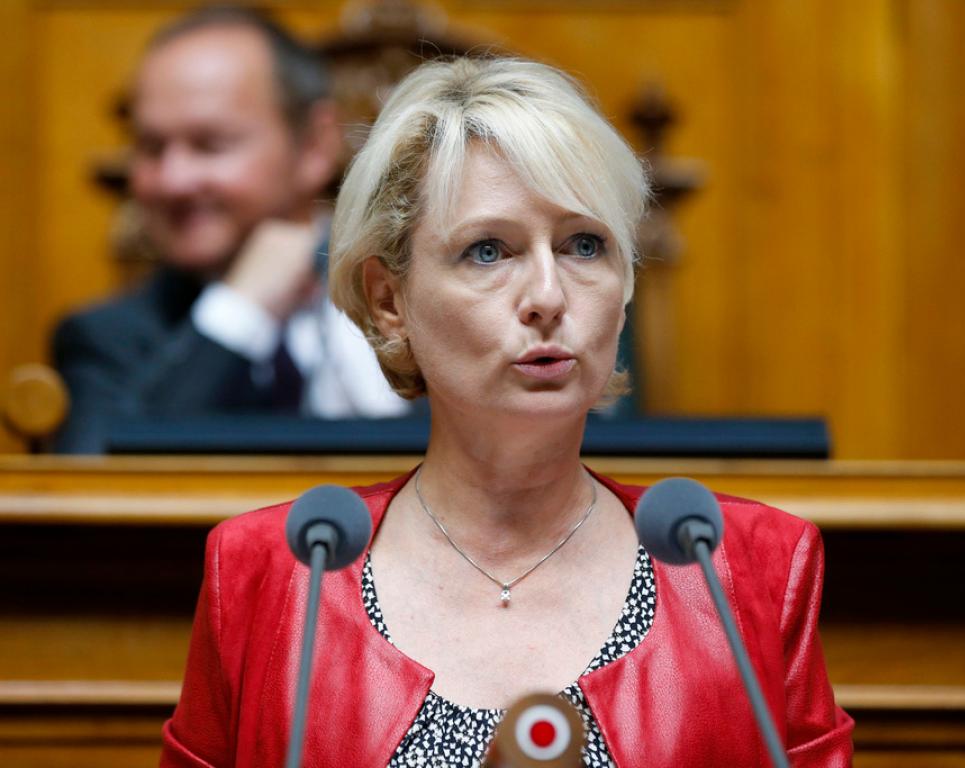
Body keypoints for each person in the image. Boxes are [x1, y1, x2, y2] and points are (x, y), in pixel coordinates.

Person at [161, 57, 854, 767]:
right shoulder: (269, 574)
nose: (548, 296)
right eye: (488, 251)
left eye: (585, 245)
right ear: (389, 300)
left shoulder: (747, 570)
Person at [50, 6, 408, 453]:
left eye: (210, 145)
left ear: (314, 146)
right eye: (151, 147)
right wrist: (236, 312)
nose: (173, 180)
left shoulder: (414, 298)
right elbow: (93, 481)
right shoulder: (104, 340)